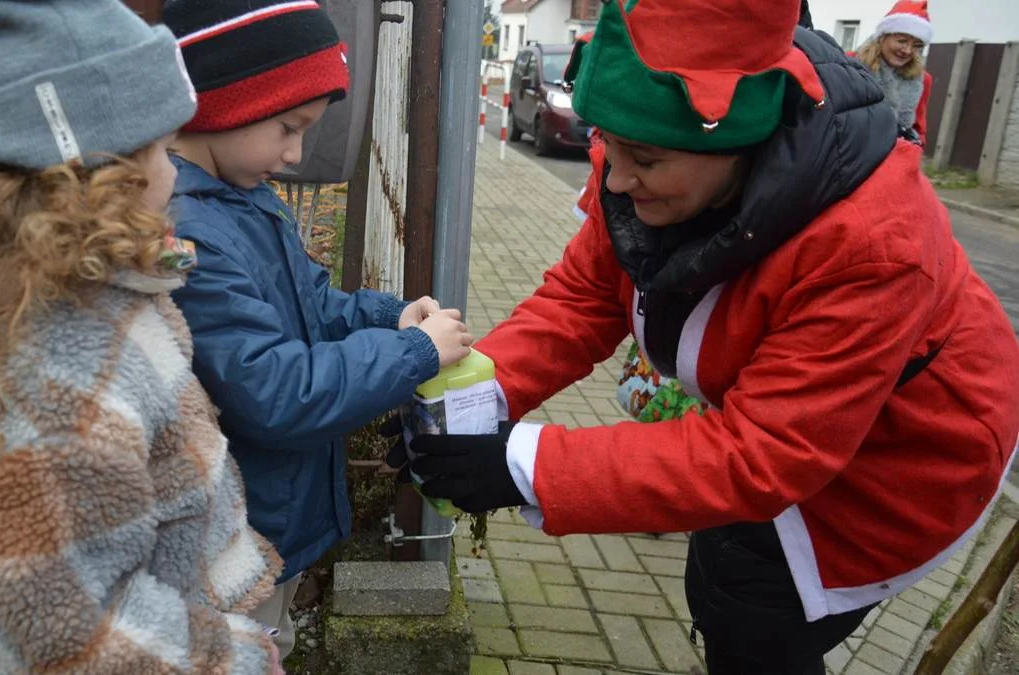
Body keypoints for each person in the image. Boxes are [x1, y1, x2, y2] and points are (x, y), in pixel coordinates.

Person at [410, 1, 1019, 673]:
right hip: (790, 421)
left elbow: (764, 453)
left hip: (908, 450)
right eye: (606, 144)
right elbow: (584, 299)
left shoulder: (874, 244)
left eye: (642, 158)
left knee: (752, 601)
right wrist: (473, 397)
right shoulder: (646, 148)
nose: (613, 177)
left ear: (737, 143)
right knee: (723, 561)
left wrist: (525, 465)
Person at [0, 1, 286, 672]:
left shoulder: (72, 292)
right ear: (94, 176)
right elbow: (75, 637)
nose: (175, 172)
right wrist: (237, 655)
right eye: (160, 149)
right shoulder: (45, 395)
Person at [160, 0, 473, 661]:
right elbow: (275, 391)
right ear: (225, 103)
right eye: (288, 127)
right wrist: (413, 352)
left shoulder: (241, 197)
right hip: (235, 545)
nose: (297, 152)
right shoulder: (192, 235)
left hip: (270, 523)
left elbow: (309, 302)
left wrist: (389, 315)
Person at [855, 0, 935, 144]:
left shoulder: (923, 80)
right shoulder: (852, 63)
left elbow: (919, 128)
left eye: (917, 45)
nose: (908, 50)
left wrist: (913, 145)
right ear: (883, 36)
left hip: (893, 156)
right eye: (902, 41)